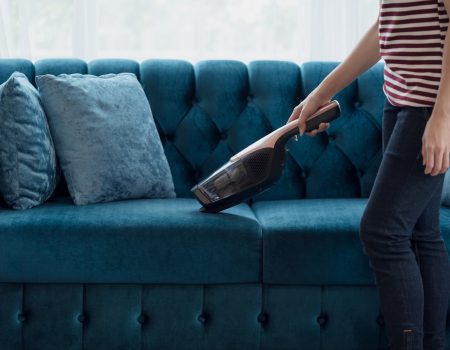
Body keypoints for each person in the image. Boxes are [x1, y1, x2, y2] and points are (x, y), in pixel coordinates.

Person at [286, 0, 450, 349]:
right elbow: (386, 26)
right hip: (401, 99)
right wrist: (321, 92)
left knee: (381, 232)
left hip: (429, 106)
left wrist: (443, 117)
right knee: (422, 233)